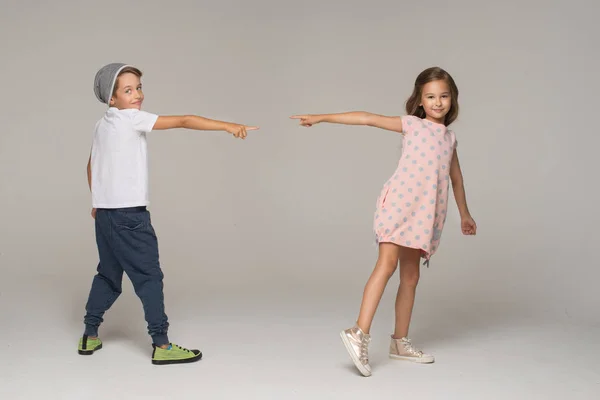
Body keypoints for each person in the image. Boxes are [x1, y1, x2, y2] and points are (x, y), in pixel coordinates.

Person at [290, 67, 477, 376]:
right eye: (431, 97)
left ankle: (400, 341)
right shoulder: (413, 126)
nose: (438, 102)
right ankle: (358, 332)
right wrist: (322, 117)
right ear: (419, 100)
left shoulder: (450, 139)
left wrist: (465, 213)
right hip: (401, 205)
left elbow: (456, 179)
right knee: (386, 265)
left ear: (453, 99)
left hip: (425, 214)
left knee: (411, 277)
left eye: (444, 96)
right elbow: (367, 118)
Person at [79, 63, 258, 365]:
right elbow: (185, 120)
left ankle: (89, 333)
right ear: (112, 99)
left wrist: (99, 202)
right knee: (149, 277)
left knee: (108, 275)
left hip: (107, 216)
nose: (137, 95)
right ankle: (161, 345)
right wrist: (227, 126)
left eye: (138, 87)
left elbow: (91, 165)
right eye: (128, 90)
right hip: (131, 217)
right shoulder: (131, 119)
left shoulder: (102, 125)